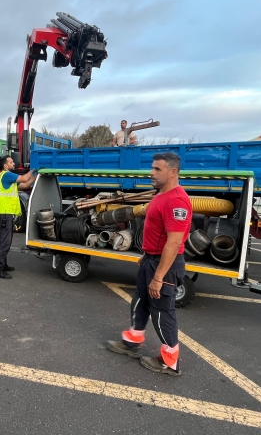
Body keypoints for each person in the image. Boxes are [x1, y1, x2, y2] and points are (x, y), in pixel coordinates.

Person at [106, 152, 191, 376]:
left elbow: (173, 243)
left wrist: (158, 277)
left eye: (157, 169)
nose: (151, 173)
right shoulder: (161, 194)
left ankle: (170, 363)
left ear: (172, 172)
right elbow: (158, 232)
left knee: (163, 313)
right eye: (152, 168)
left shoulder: (176, 200)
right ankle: (132, 343)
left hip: (164, 267)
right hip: (151, 260)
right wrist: (146, 255)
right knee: (139, 303)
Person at [0, 156, 36, 279]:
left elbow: (26, 184)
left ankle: (3, 264)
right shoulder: (6, 175)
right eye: (11, 162)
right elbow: (24, 178)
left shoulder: (7, 179)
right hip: (4, 213)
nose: (14, 164)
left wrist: (36, 177)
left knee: (6, 240)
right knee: (4, 242)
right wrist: (32, 170)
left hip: (5, 213)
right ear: (5, 165)